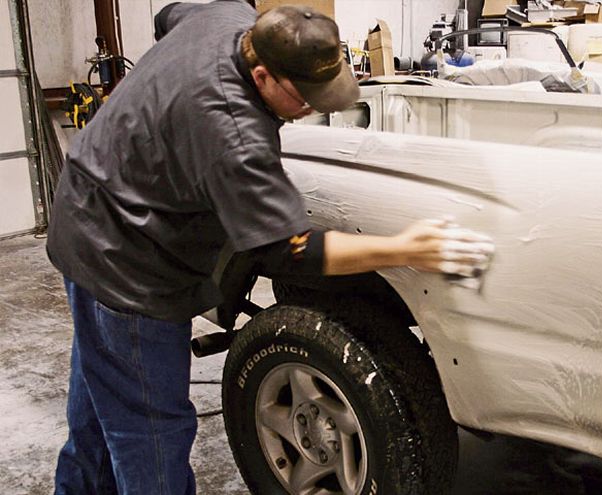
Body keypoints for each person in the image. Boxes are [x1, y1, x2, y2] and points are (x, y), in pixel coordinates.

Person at [47, 1, 494, 494]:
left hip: (88, 204)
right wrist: (405, 248)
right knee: (150, 433)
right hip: (126, 261)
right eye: (304, 99)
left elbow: (167, 17)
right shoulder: (233, 135)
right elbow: (290, 250)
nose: (310, 109)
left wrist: (157, 111)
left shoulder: (226, 16)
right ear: (261, 76)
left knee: (101, 405)